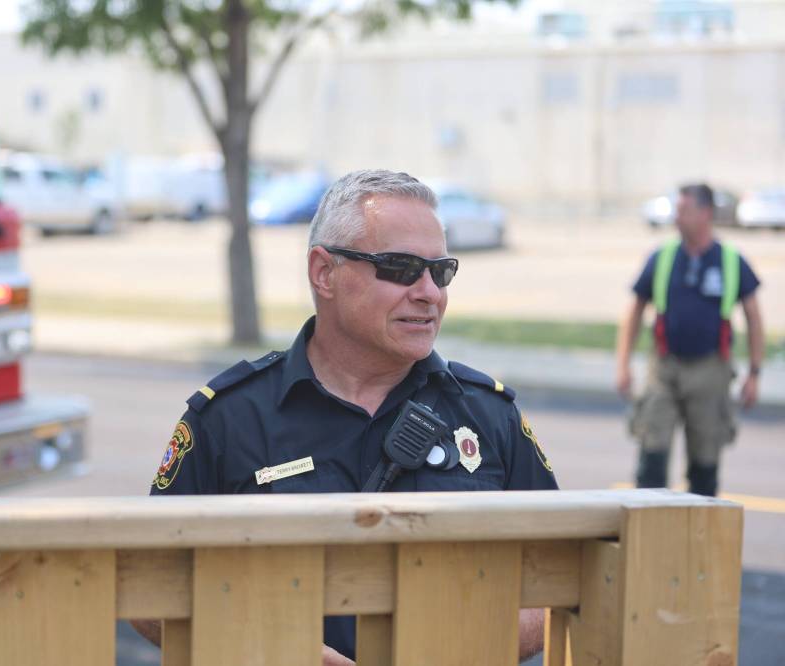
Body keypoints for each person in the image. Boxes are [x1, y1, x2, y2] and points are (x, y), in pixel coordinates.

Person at [138, 169, 558, 665]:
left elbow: (560, 576)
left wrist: (463, 643)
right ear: (324, 272)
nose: (429, 292)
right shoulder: (230, 418)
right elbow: (149, 588)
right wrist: (274, 648)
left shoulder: (489, 416)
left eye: (440, 271)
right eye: (401, 268)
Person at [616, 183, 764, 497]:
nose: (677, 217)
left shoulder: (730, 260)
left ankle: (700, 537)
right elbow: (634, 311)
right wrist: (623, 364)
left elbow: (753, 317)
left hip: (711, 369)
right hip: (664, 367)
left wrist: (754, 373)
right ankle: (649, 529)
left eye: (684, 211)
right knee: (651, 455)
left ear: (705, 213)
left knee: (705, 462)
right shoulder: (663, 257)